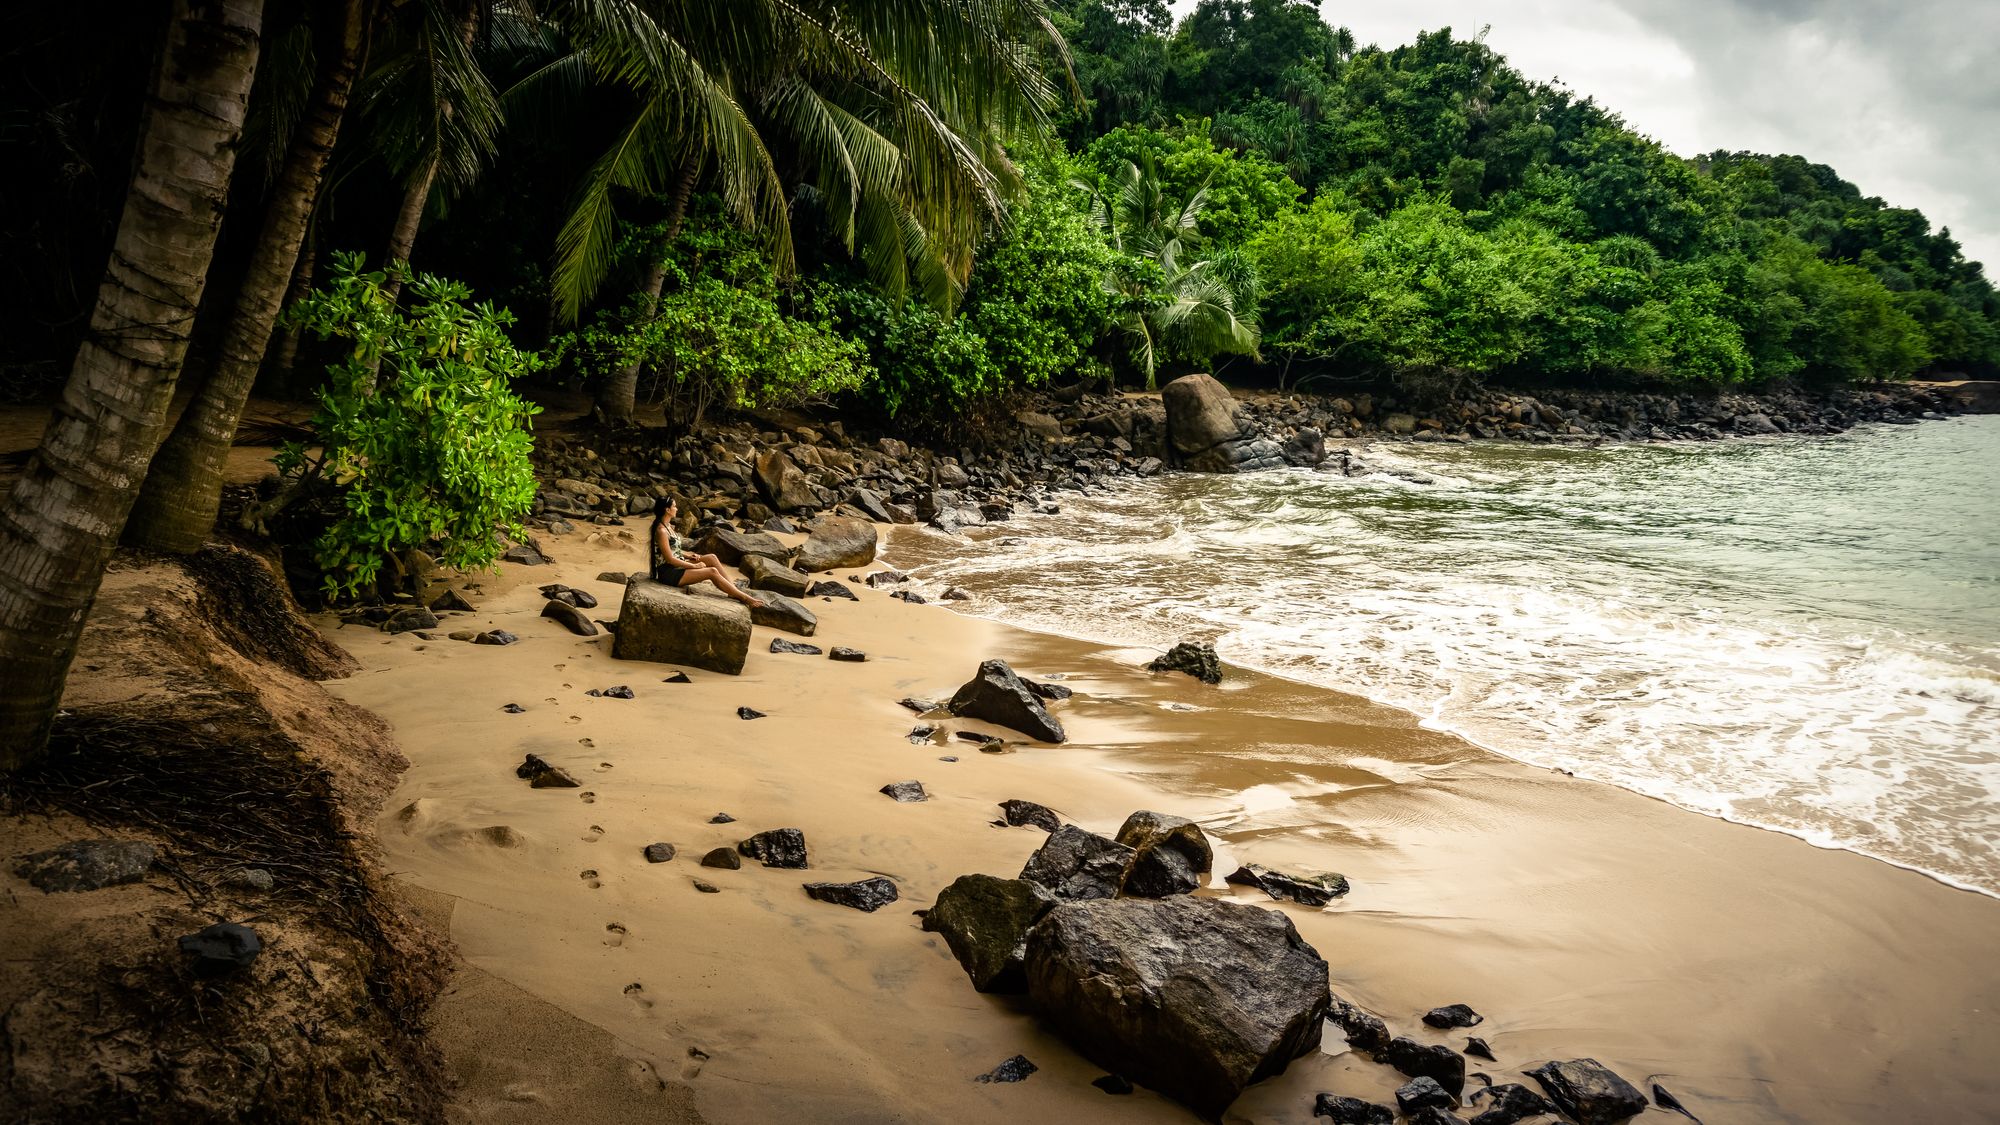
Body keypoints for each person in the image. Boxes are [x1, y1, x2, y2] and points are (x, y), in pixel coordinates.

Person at [649, 497, 764, 607]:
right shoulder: (661, 531)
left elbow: (673, 550)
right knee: (712, 572)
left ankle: (732, 590)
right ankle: (744, 597)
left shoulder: (669, 526)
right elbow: (669, 559)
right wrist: (694, 566)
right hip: (669, 573)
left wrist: (688, 556)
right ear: (667, 510)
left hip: (676, 566)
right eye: (674, 506)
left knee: (711, 557)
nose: (677, 508)